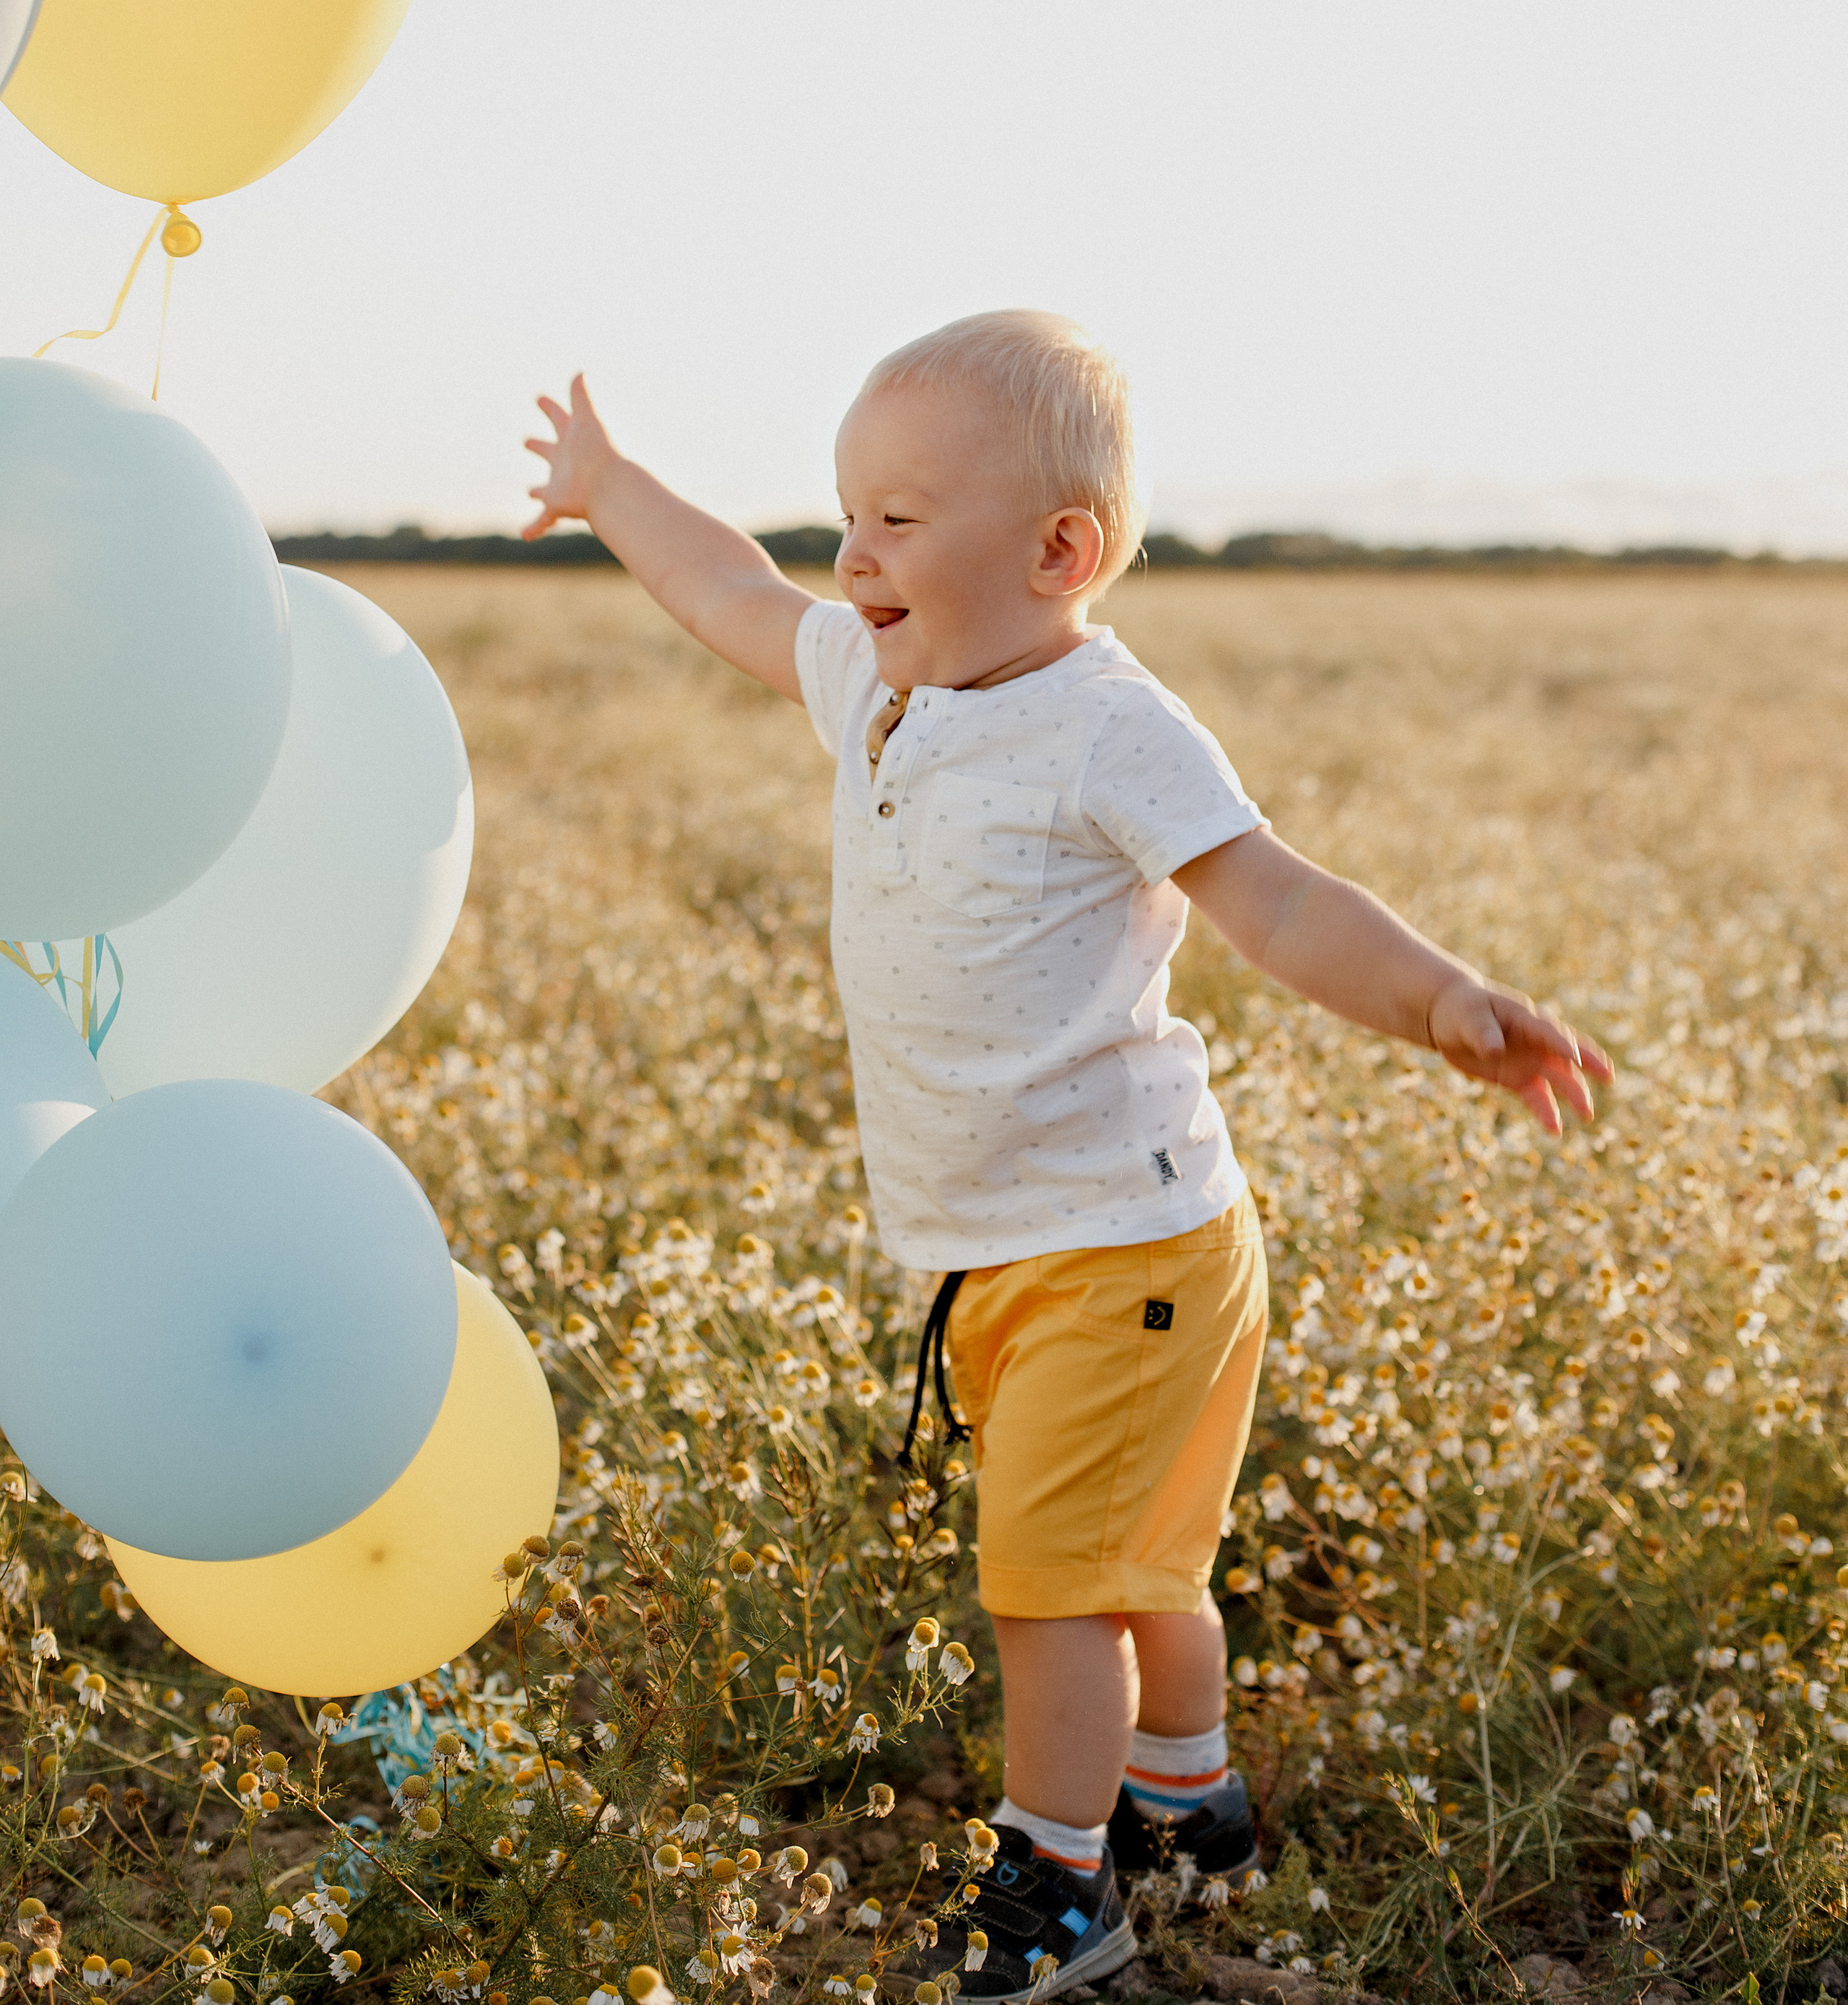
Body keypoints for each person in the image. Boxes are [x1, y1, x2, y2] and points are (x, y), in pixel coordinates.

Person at [523, 310, 1609, 2004]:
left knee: (1048, 1592)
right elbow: (728, 592)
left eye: (895, 520)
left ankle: (1062, 1880)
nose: (847, 552)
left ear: (1059, 552)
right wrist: (608, 488)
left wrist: (1441, 1003)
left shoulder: (1110, 727)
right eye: (848, 510)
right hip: (1020, 1244)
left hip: (1126, 1249)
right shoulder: (875, 682)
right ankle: (1190, 1799)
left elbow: (1279, 898)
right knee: (1137, 1559)